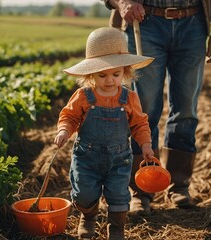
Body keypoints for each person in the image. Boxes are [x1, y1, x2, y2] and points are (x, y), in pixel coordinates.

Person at [102, 0, 211, 214]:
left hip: (193, 24)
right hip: (145, 23)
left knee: (186, 110)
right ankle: (141, 189)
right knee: (144, 111)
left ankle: (179, 185)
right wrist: (123, 2)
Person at [54, 27, 154, 240]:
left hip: (119, 159)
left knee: (118, 195)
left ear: (125, 72)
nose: (110, 80)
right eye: (102, 75)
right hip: (86, 158)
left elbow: (139, 124)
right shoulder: (83, 96)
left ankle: (116, 229)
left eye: (116, 74)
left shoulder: (129, 98)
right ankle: (88, 217)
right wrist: (64, 131)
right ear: (90, 74)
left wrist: (145, 145)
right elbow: (69, 117)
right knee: (84, 194)